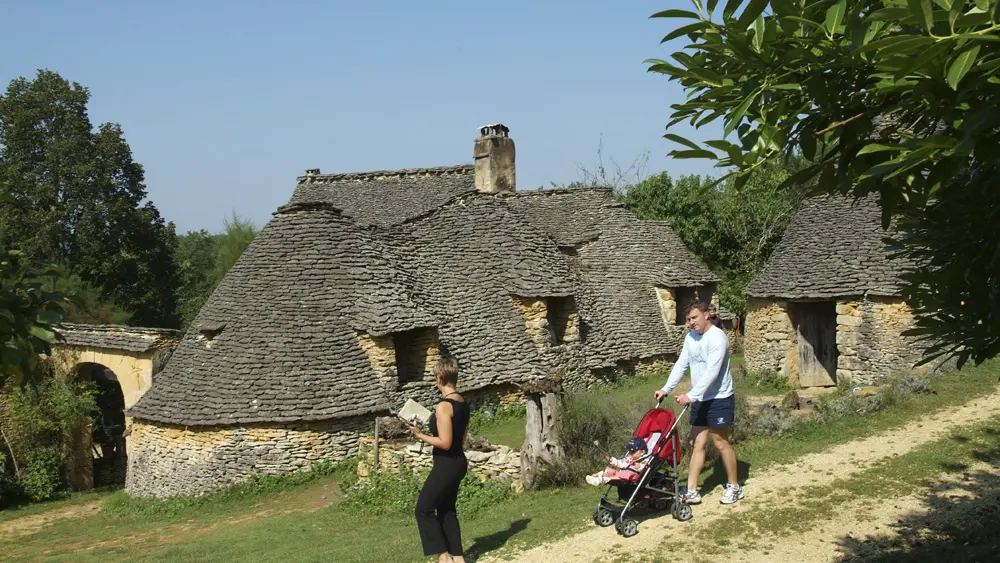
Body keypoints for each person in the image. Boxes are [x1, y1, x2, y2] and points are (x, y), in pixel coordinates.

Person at [654, 301, 743, 505]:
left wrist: (691, 395)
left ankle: (734, 487)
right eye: (688, 319)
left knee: (720, 442)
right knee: (697, 443)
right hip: (700, 398)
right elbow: (681, 364)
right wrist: (666, 389)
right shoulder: (691, 338)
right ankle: (692, 491)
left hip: (719, 397)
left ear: (706, 315)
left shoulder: (718, 338)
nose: (690, 323)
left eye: (694, 318)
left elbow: (712, 372)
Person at [409, 357, 471, 563]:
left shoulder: (444, 406)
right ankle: (459, 558)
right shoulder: (463, 402)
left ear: (442, 378)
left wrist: (420, 435)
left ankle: (444, 557)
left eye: (436, 378)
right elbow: (461, 439)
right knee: (446, 510)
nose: (435, 382)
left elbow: (444, 442)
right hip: (458, 461)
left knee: (423, 509)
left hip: (446, 463)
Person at [585, 437, 650, 486]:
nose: (630, 453)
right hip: (622, 475)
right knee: (611, 472)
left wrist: (639, 466)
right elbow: (620, 463)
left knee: (615, 476)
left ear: (642, 452)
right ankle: (597, 476)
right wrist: (611, 460)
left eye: (632, 451)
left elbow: (643, 467)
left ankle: (599, 479)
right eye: (629, 450)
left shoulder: (644, 460)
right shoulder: (629, 458)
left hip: (631, 476)